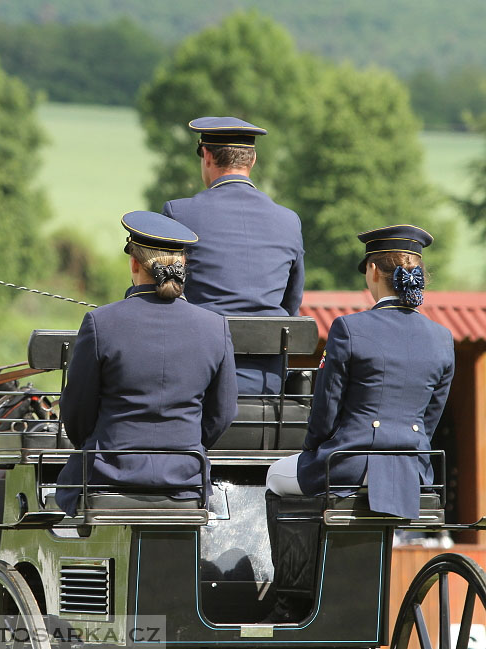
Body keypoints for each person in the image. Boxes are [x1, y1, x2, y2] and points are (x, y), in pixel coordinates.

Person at [263, 225, 455, 620]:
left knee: (275, 477)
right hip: (410, 470)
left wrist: (312, 450)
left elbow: (326, 408)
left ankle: (291, 596)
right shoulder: (442, 338)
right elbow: (431, 415)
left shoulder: (350, 329)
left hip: (350, 463)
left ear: (372, 271)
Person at [55, 211, 238, 516]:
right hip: (186, 476)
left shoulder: (101, 323)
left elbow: (77, 412)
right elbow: (222, 413)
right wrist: (186, 446)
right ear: (183, 266)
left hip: (108, 475)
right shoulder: (214, 327)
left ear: (134, 263)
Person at [162, 117, 305, 395]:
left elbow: (163, 294)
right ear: (251, 161)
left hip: (195, 384)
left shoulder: (179, 214)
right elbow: (291, 305)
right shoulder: (289, 221)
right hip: (266, 388)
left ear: (206, 155)